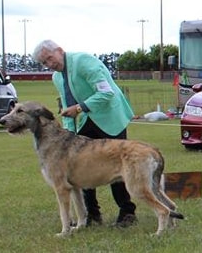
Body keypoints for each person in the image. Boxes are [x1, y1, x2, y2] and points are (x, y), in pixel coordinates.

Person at [33, 39, 139, 227]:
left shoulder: (84, 62)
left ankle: (127, 213)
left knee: (118, 166)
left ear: (59, 50)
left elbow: (106, 93)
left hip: (109, 119)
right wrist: (69, 131)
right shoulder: (57, 77)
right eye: (44, 63)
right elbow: (67, 107)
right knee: (82, 168)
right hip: (84, 122)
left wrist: (80, 108)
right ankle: (92, 215)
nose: (49, 65)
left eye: (50, 58)